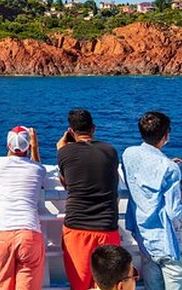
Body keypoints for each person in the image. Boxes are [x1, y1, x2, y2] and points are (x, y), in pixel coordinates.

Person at [122, 111, 182, 290]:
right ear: (165, 135)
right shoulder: (170, 169)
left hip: (145, 240)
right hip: (170, 244)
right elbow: (174, 211)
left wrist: (168, 164)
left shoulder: (128, 154)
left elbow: (145, 174)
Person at [55, 108, 120, 290]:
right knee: (108, 285)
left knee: (80, 286)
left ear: (71, 131)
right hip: (107, 227)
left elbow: (68, 184)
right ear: (93, 128)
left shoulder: (64, 153)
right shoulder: (110, 151)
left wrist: (61, 148)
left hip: (77, 229)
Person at [0, 126, 47, 290]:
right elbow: (36, 166)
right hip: (28, 234)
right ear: (28, 147)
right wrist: (35, 147)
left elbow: (10, 159)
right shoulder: (38, 169)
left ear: (8, 146)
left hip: (2, 235)